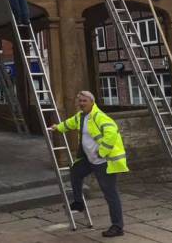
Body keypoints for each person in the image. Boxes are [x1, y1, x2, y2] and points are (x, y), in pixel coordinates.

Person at [49, 91, 128, 238]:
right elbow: (69, 123)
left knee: (110, 195)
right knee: (75, 172)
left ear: (92, 102)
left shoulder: (100, 117)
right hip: (89, 160)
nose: (81, 103)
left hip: (103, 162)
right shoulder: (81, 117)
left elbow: (112, 133)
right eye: (79, 101)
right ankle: (79, 202)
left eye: (84, 101)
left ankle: (118, 227)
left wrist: (102, 151)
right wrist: (57, 127)